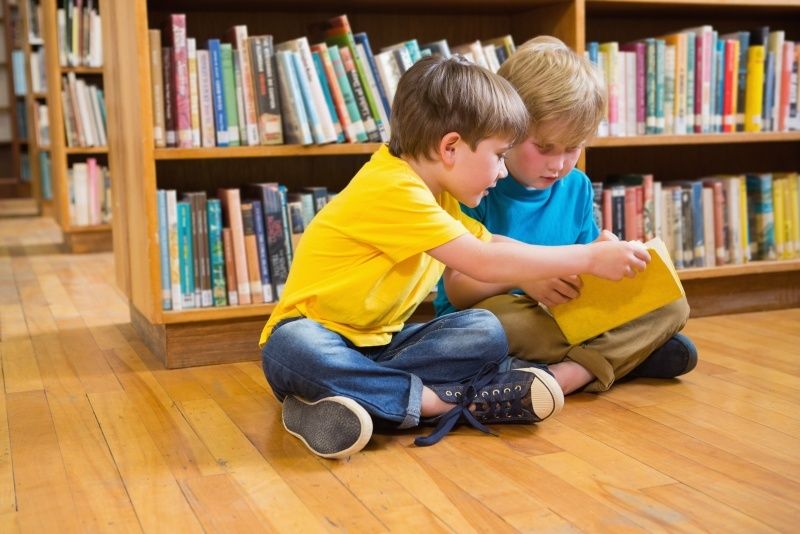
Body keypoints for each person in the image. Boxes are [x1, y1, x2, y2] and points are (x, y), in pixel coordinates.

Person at [260, 54, 651, 460]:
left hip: (378, 348)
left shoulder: (439, 194)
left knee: (483, 329)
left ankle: (341, 403)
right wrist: (587, 260)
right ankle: (440, 404)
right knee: (292, 342)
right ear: (450, 147)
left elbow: (495, 244)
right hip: (315, 342)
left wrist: (590, 252)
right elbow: (481, 262)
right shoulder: (393, 188)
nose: (501, 172)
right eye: (499, 155)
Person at [435, 36, 697, 396]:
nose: (558, 164)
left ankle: (562, 371)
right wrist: (528, 275)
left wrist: (608, 261)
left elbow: (585, 271)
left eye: (572, 148)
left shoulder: (576, 187)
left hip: (560, 315)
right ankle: (615, 360)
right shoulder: (475, 183)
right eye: (544, 148)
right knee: (494, 327)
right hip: (493, 313)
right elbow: (458, 288)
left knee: (672, 304)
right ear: (506, 129)